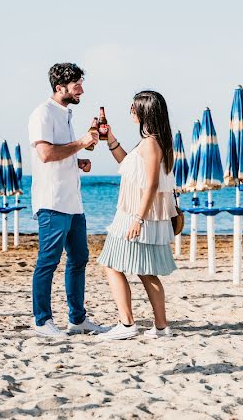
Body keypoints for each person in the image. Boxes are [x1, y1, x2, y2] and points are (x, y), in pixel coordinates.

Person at [28, 63, 107, 337]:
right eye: (76, 86)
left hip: (73, 202)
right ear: (59, 87)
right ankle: (42, 321)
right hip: (52, 201)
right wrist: (82, 143)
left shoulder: (66, 114)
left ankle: (77, 319)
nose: (81, 90)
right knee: (48, 261)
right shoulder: (42, 113)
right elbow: (46, 155)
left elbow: (61, 155)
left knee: (79, 259)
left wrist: (78, 160)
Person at [96, 90, 178, 340]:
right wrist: (110, 138)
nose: (131, 112)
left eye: (134, 108)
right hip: (139, 216)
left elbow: (152, 184)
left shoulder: (151, 143)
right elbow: (127, 166)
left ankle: (127, 323)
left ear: (145, 112)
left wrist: (138, 220)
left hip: (136, 216)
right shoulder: (150, 142)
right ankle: (161, 327)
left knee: (111, 265)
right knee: (144, 270)